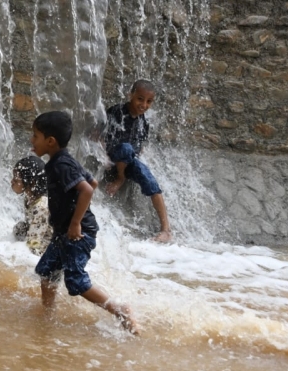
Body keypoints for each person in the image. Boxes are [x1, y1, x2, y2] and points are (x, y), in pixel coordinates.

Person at [31, 111, 138, 334]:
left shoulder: (61, 165)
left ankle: (120, 310)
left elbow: (87, 189)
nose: (32, 141)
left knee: (76, 282)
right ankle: (48, 314)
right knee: (47, 270)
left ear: (50, 141)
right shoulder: (64, 160)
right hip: (65, 232)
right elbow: (94, 181)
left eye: (35, 136)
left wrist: (75, 222)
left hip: (76, 234)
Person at [101, 79, 172, 242]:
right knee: (126, 148)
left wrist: (134, 163)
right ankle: (120, 178)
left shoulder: (143, 122)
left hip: (127, 161)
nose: (144, 105)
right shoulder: (116, 111)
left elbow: (140, 147)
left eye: (149, 101)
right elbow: (100, 135)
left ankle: (166, 230)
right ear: (130, 95)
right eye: (140, 99)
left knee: (149, 179)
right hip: (112, 157)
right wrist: (102, 157)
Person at [11, 155, 51, 255]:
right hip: (39, 232)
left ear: (31, 183)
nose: (12, 182)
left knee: (31, 250)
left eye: (16, 180)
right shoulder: (30, 198)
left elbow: (34, 244)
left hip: (48, 246)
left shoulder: (41, 207)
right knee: (19, 229)